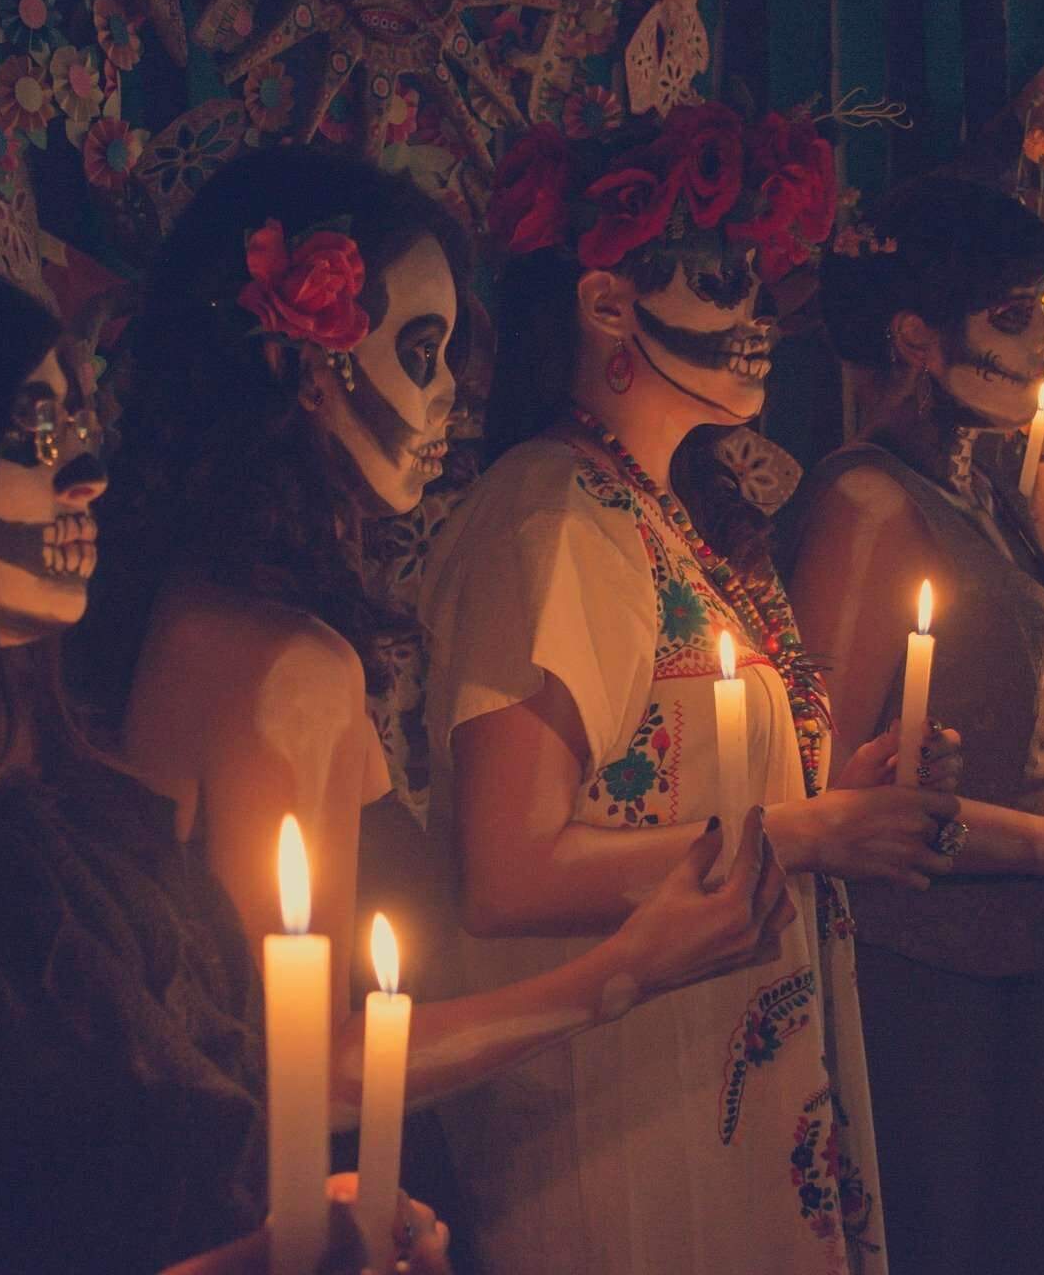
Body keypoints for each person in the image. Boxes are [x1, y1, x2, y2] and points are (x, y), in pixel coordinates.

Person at [423, 111, 1044, 1275]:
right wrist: (810, 825)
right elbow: (505, 866)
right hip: (623, 1102)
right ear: (608, 306)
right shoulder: (550, 520)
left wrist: (845, 793)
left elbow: (693, 779)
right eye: (725, 280)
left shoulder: (667, 517)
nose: (763, 319)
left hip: (725, 1071)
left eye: (764, 282)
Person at [85, 143, 792, 1200]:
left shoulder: (205, 610)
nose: (453, 395)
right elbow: (304, 1065)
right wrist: (625, 970)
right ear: (302, 363)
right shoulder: (284, 663)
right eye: (422, 350)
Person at [0, 270, 451, 1274]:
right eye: (33, 430)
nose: (84, 477)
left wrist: (309, 1214)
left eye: (84, 429)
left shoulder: (80, 805)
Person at [779, 175, 1044, 1274]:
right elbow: (828, 802)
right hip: (927, 990)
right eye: (1012, 315)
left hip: (1034, 975)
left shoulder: (987, 499)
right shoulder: (866, 505)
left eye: (1042, 312)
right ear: (915, 333)